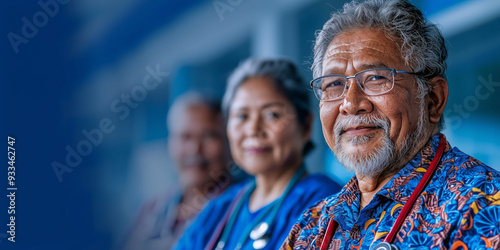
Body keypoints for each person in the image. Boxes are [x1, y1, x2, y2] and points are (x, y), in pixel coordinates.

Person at [281, 0, 500, 249]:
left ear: (433, 100)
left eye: (376, 78)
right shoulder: (312, 224)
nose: (351, 104)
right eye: (334, 84)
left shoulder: (482, 205)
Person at [174, 58, 342, 250]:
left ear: (305, 125)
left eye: (272, 115)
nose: (253, 129)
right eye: (242, 116)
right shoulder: (221, 207)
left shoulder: (326, 202)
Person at [121, 92, 233, 250]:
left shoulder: (240, 206)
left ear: (229, 141)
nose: (195, 149)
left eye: (208, 136)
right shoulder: (152, 211)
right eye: (185, 137)